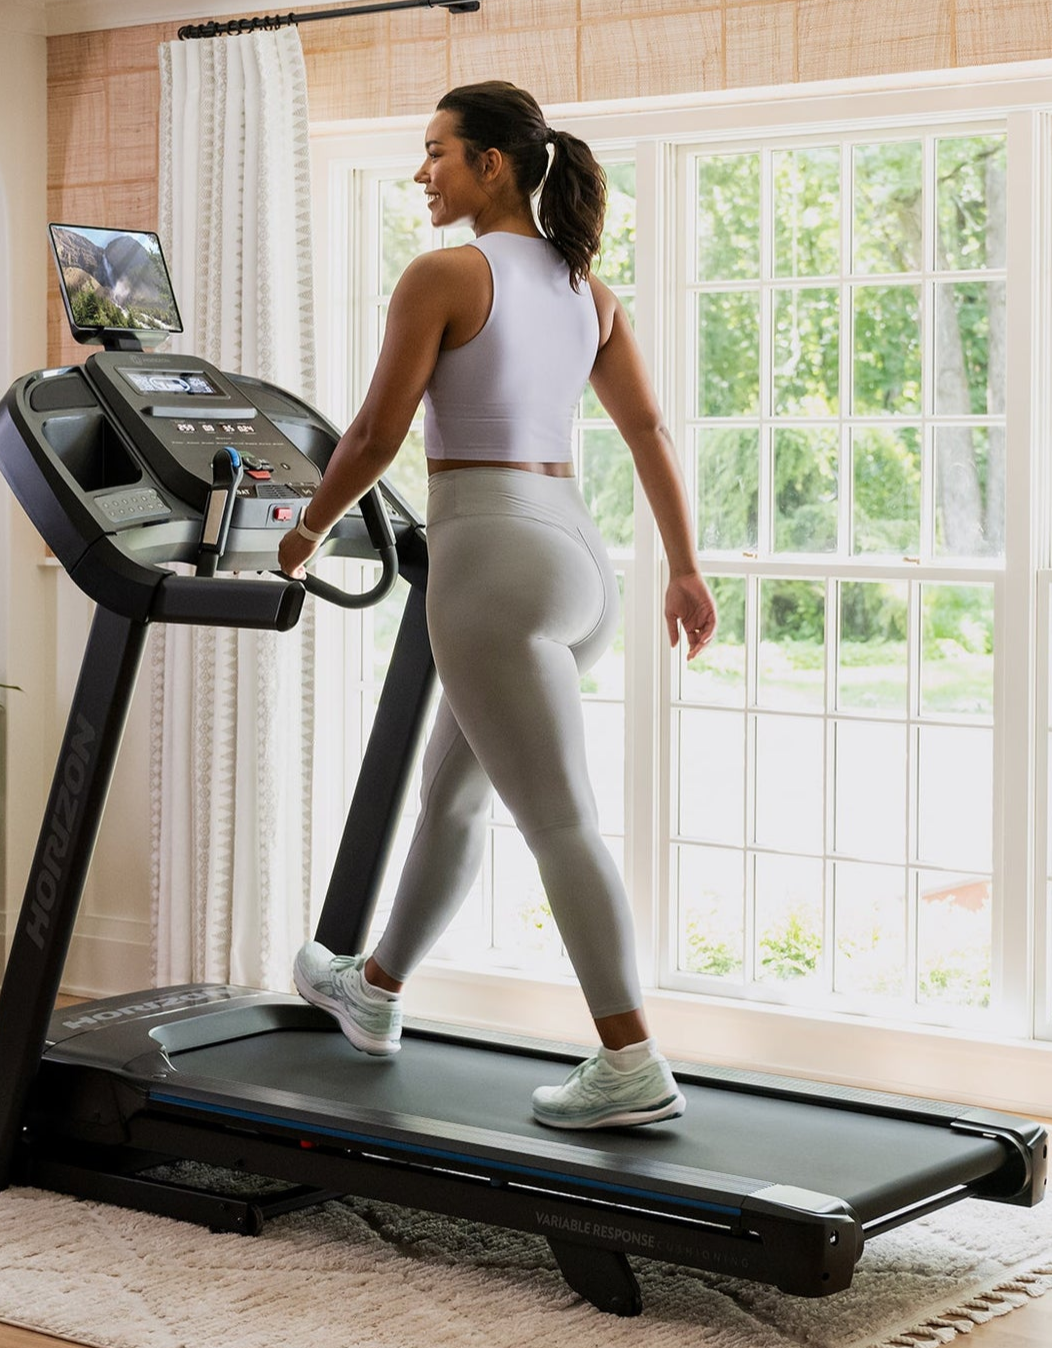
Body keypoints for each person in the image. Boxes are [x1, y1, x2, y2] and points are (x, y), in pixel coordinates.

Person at [279, 81, 717, 1131]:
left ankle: (630, 1058)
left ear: (492, 165)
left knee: (557, 818)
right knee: (452, 794)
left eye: (435, 152)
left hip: (490, 553)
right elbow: (650, 431)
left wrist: (301, 533)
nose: (420, 172)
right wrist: (683, 569)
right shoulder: (586, 288)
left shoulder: (444, 274)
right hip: (576, 555)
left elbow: (376, 437)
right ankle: (374, 989)